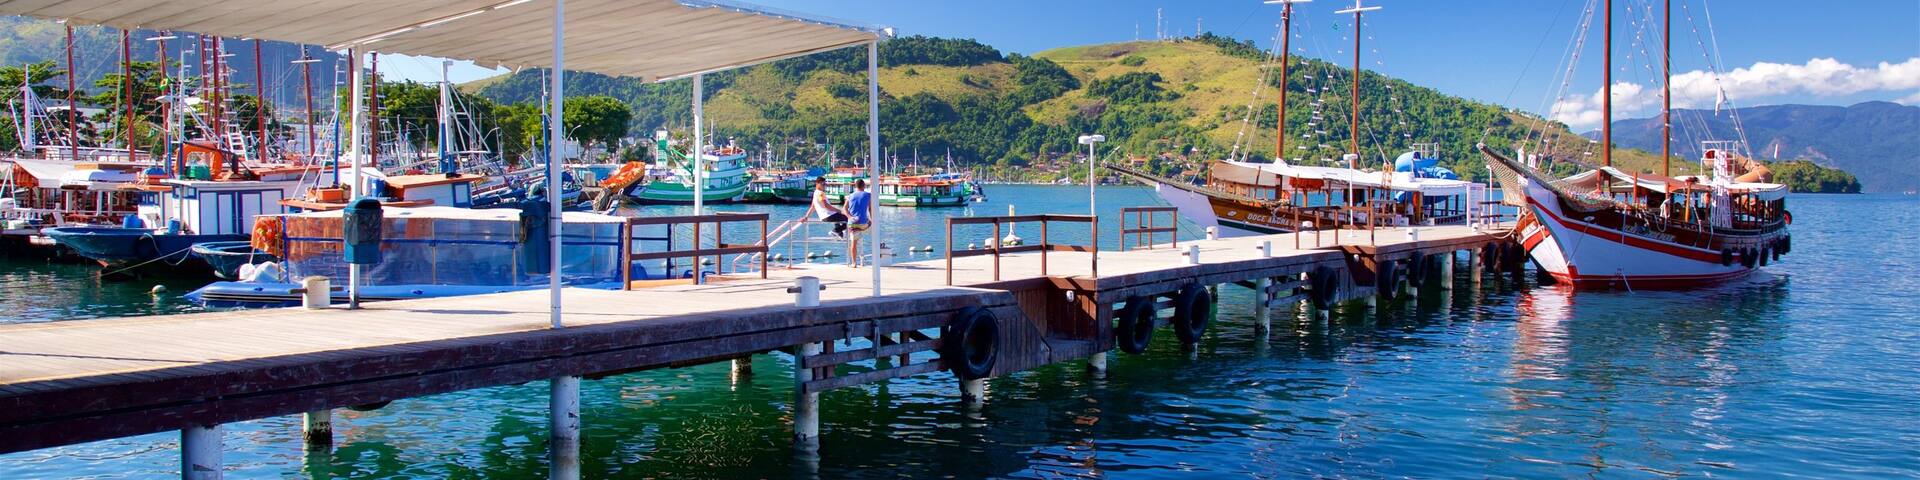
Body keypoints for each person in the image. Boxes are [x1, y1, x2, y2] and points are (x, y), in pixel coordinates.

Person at [843, 179, 874, 265]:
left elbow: (844, 209)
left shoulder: (850, 196)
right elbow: (871, 208)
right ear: (864, 186)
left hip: (852, 223)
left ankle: (853, 263)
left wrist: (850, 217)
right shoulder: (868, 195)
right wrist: (871, 220)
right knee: (868, 225)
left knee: (854, 242)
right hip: (863, 224)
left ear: (855, 186)